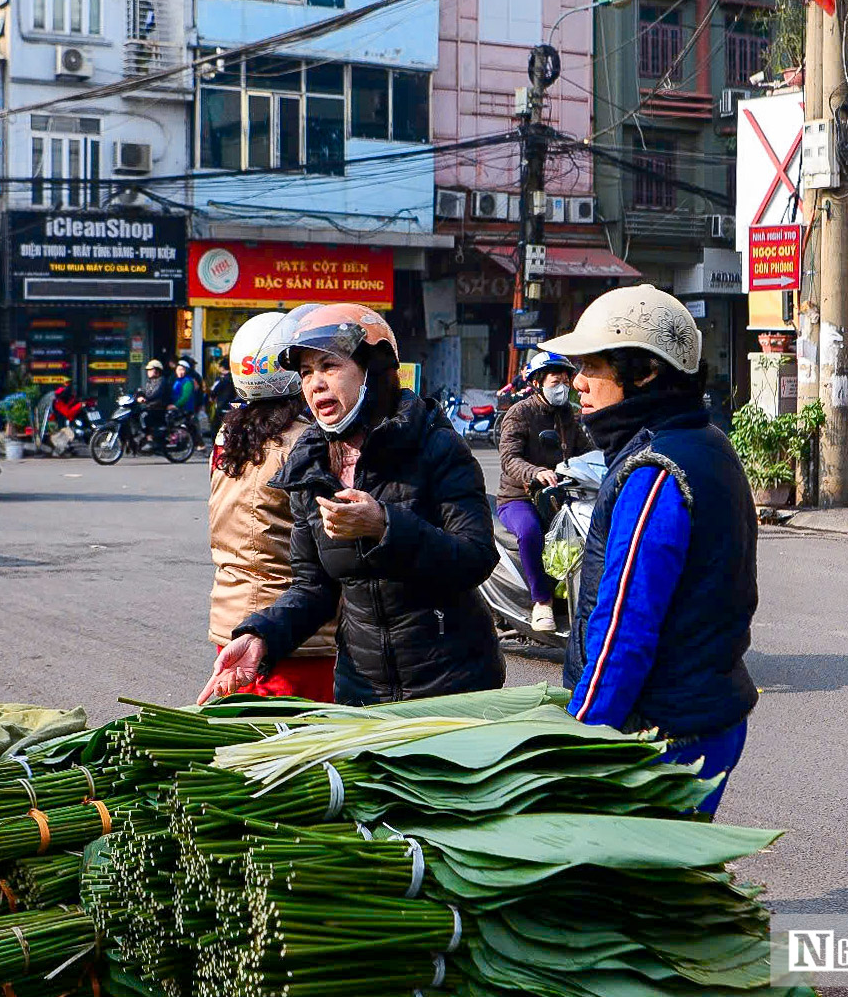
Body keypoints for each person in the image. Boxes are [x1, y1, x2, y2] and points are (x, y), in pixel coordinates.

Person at [199, 303, 503, 707]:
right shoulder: (311, 463)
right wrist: (260, 636)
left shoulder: (436, 446)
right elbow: (314, 588)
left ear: (373, 369)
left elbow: (476, 556)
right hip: (362, 691)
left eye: (329, 366)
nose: (315, 384)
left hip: (451, 684)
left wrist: (385, 526)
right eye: (306, 372)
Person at [537, 284, 758, 816]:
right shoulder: (707, 442)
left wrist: (583, 737)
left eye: (593, 368)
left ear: (646, 372)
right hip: (707, 718)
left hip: (664, 736)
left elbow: (623, 632)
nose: (578, 385)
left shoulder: (655, 471)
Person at [207, 312, 337, 701]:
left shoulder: (227, 437)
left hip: (232, 624)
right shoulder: (310, 443)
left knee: (245, 743)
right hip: (297, 630)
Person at [495, 351, 595, 633]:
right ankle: (542, 602)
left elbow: (587, 451)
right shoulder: (519, 414)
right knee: (530, 532)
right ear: (538, 382)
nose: (562, 385)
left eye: (566, 379)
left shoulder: (570, 416)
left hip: (559, 497)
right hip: (518, 498)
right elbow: (509, 458)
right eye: (555, 380)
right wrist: (535, 472)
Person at [136, 357, 172, 439]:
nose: (148, 372)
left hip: (159, 407)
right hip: (151, 406)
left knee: (143, 416)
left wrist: (145, 398)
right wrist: (138, 395)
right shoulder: (150, 381)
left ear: (156, 371)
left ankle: (150, 437)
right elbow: (143, 391)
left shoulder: (161, 381)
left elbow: (156, 393)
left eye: (150, 370)